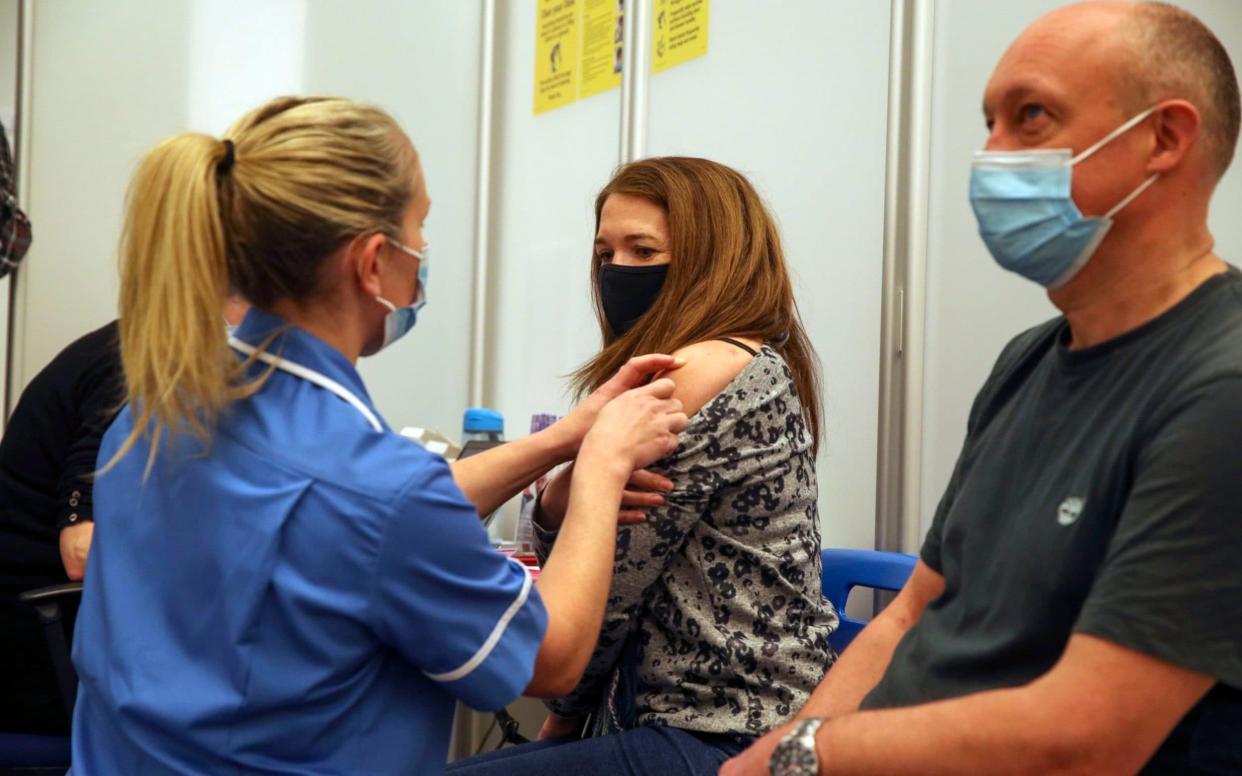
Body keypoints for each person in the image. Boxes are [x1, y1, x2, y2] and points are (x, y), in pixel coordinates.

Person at [67, 96, 688, 775]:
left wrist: (562, 438)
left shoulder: (155, 415)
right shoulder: (377, 490)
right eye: (419, 227)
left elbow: (346, 518)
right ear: (371, 263)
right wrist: (601, 465)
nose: (422, 253)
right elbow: (553, 655)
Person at [724, 3, 1242, 774]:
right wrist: (781, 750)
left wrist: (805, 754)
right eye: (988, 122)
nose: (990, 155)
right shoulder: (1028, 361)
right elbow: (911, 613)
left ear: (1163, 139)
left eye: (1030, 117)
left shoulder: (1219, 389)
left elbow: (1086, 738)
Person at [448, 157, 837, 775]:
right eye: (605, 255)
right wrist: (561, 496)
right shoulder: (739, 359)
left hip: (726, 732)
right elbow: (604, 554)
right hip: (667, 716)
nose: (618, 272)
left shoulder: (698, 371)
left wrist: (563, 717)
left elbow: (608, 587)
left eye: (644, 251)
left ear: (712, 261)